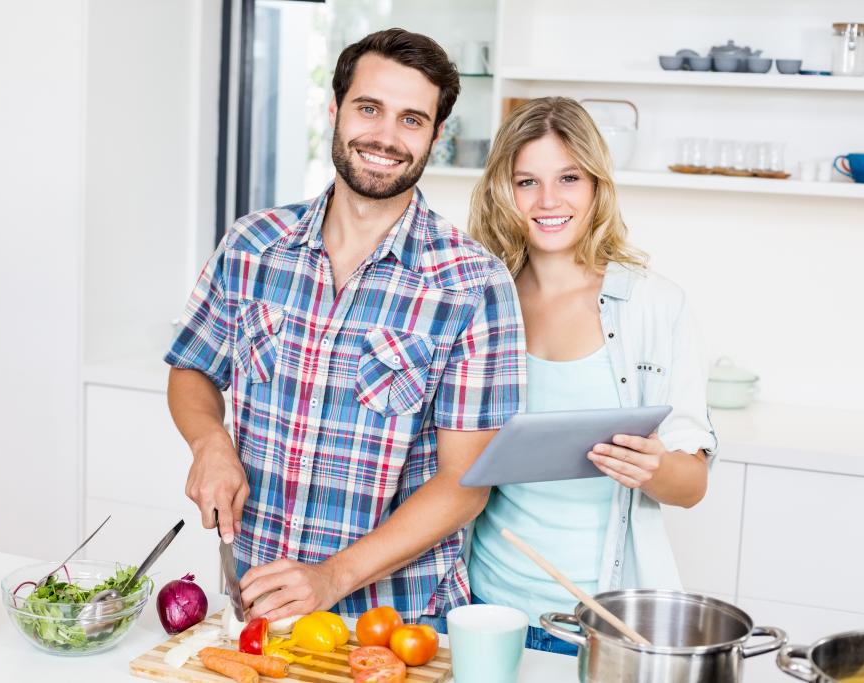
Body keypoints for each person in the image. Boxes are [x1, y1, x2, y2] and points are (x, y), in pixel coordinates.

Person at [164, 28, 524, 631]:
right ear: (335, 111)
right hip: (256, 601)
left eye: (412, 120)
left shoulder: (473, 284)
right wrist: (210, 442)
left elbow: (466, 484)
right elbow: (192, 368)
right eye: (369, 108)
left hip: (396, 624)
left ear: (437, 135)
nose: (385, 136)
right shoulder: (253, 246)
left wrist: (333, 576)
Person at [466, 97, 717, 655]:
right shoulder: (479, 298)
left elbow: (692, 486)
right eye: (526, 181)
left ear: (598, 185)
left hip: (598, 623)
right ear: (502, 191)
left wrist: (654, 468)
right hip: (481, 606)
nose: (548, 200)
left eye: (569, 178)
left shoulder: (655, 305)